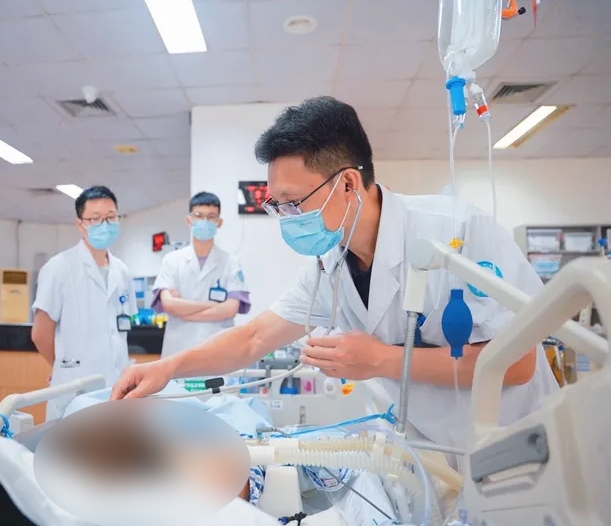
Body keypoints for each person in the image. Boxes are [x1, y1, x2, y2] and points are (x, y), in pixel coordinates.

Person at [110, 96, 558, 450]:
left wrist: (382, 360)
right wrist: (168, 368)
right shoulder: (331, 265)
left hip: (514, 444)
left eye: (293, 202)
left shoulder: (457, 231)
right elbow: (254, 338)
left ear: (347, 183)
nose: (287, 217)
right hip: (428, 450)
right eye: (277, 205)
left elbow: (518, 362)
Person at [32, 185, 137, 421]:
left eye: (111, 217)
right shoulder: (59, 267)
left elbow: (120, 330)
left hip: (117, 387)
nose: (105, 224)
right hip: (75, 389)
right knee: (73, 442)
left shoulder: (121, 270)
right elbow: (40, 334)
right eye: (95, 219)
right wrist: (64, 367)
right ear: (80, 224)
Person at [152, 192, 251, 358]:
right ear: (189, 220)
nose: (205, 221)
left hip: (217, 349)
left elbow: (231, 309)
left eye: (211, 216)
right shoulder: (171, 260)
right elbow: (168, 304)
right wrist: (214, 306)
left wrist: (183, 310)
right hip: (179, 348)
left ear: (219, 222)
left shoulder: (231, 262)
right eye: (198, 215)